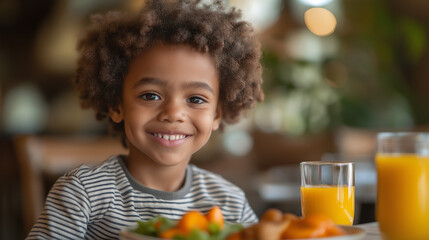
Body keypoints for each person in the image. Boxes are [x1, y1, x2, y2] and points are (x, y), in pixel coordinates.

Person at [27, 0, 264, 239]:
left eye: (195, 99)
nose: (173, 113)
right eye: (150, 95)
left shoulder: (230, 203)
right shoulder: (83, 193)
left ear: (217, 114)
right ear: (116, 105)